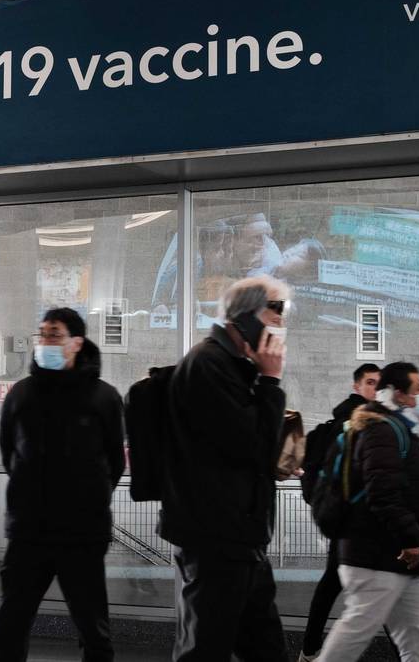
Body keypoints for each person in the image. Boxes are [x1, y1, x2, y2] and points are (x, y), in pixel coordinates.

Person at [162, 275, 290, 662]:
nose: (281, 324)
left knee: (265, 647)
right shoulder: (208, 364)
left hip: (241, 535)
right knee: (205, 648)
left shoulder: (233, 366)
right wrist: (270, 381)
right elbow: (249, 444)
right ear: (247, 316)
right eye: (276, 311)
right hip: (216, 536)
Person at [0, 307, 125, 662]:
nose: (45, 341)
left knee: (93, 628)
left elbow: (115, 461)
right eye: (42, 334)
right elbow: (9, 454)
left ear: (77, 343)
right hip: (29, 530)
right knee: (11, 624)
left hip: (82, 534)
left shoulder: (103, 397)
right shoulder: (21, 394)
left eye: (55, 334)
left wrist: (88, 498)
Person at [316, 362, 419, 662]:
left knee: (418, 633)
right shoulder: (381, 431)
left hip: (397, 559)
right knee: (355, 632)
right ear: (400, 395)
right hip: (377, 555)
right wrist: (410, 538)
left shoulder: (395, 431)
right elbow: (382, 492)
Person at [299, 363, 387, 662]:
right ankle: (312, 651)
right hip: (354, 521)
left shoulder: (374, 421)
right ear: (357, 387)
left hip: (355, 520)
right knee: (368, 588)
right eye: (370, 382)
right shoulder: (349, 425)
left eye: (379, 383)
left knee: (340, 584)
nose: (375, 388)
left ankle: (310, 650)